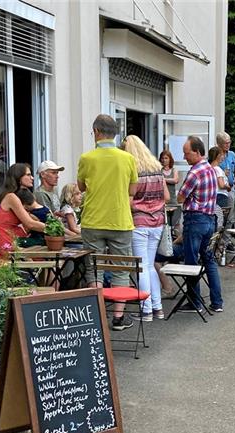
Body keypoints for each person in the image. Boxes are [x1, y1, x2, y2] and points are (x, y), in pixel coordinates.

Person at [77, 114, 139, 331]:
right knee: (121, 268)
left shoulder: (87, 158)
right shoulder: (128, 159)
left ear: (96, 132)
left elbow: (82, 187)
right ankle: (118, 318)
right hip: (120, 220)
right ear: (115, 133)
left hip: (93, 220)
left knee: (94, 268)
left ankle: (97, 314)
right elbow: (132, 190)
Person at [123, 135, 170, 322]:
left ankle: (146, 310)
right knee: (150, 265)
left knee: (141, 267)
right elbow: (166, 196)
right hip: (157, 222)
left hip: (139, 222)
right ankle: (157, 307)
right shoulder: (156, 169)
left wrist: (138, 206)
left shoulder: (134, 170)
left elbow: (129, 201)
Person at [177, 135, 223, 313]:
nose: (184, 157)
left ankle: (195, 302)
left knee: (191, 262)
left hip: (195, 220)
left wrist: (186, 197)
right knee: (209, 261)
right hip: (209, 219)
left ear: (197, 152)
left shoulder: (195, 172)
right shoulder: (210, 169)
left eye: (187, 153)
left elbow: (180, 196)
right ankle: (217, 302)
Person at [0, 163, 45, 257]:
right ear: (18, 177)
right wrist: (55, 228)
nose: (32, 178)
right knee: (46, 255)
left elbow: (31, 221)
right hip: (9, 245)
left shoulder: (15, 196)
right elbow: (30, 224)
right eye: (28, 175)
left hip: (15, 240)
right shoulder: (11, 197)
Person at [216, 132, 235, 222]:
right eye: (226, 143)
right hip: (220, 190)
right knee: (220, 215)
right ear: (219, 144)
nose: (228, 145)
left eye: (229, 142)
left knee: (230, 215)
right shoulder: (215, 155)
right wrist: (222, 173)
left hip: (231, 188)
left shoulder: (232, 154)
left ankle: (227, 235)